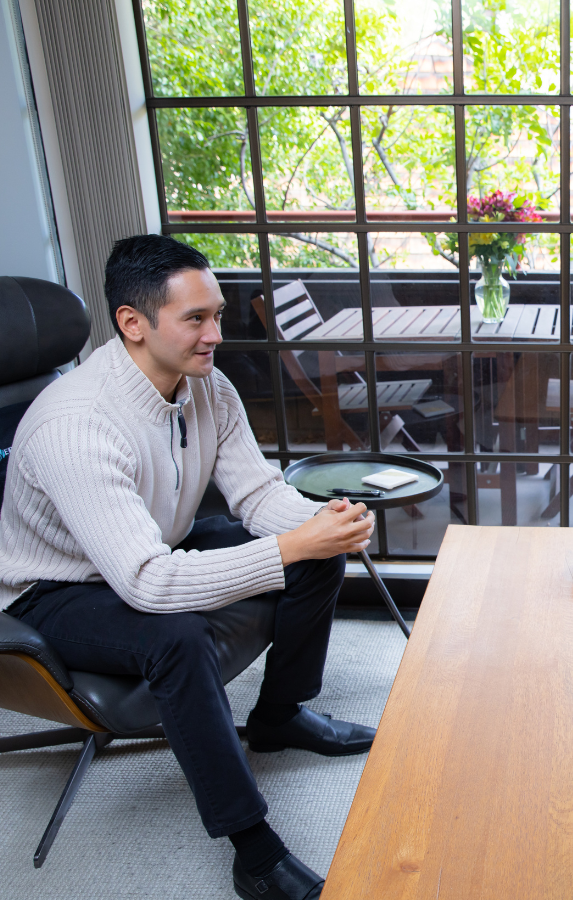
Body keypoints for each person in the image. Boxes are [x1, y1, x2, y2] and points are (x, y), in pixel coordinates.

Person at [0, 234, 378, 900]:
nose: (216, 334)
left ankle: (280, 715)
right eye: (196, 319)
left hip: (150, 543)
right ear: (133, 324)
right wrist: (290, 547)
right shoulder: (78, 425)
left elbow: (256, 494)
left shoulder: (207, 385)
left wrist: (321, 528)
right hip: (55, 587)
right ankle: (255, 854)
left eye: (219, 315)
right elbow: (148, 584)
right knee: (177, 637)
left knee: (314, 558)